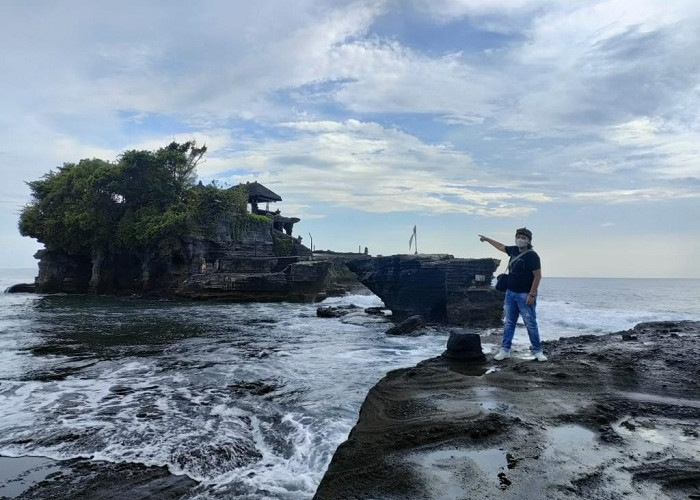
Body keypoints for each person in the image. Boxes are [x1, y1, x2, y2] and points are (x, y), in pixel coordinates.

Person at [478, 228, 547, 362]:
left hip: (525, 294)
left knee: (530, 323)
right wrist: (487, 239)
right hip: (510, 293)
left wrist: (531, 295)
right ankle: (505, 350)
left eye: (524, 238)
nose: (521, 239)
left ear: (529, 240)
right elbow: (500, 246)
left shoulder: (532, 256)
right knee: (509, 322)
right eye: (519, 237)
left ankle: (537, 351)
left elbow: (537, 276)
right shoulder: (514, 250)